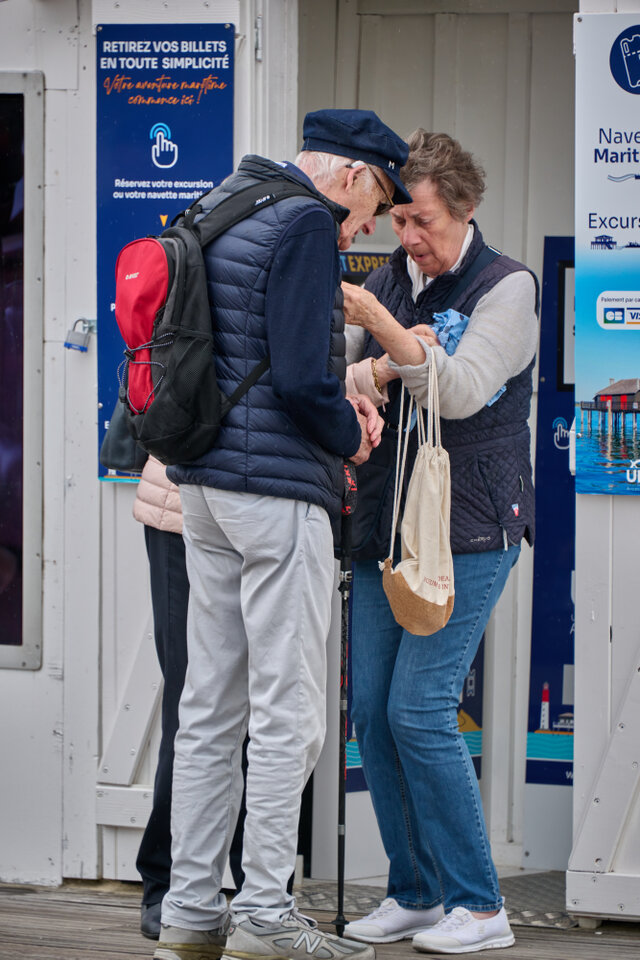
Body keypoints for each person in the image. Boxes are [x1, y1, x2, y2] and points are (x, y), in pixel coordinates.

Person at [153, 109, 412, 960]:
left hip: (205, 486)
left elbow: (248, 355)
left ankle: (191, 914)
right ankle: (265, 911)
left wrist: (333, 399)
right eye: (376, 203)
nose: (369, 226)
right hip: (275, 496)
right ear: (350, 175)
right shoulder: (304, 221)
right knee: (289, 713)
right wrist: (351, 433)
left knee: (208, 709)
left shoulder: (227, 198)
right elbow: (301, 381)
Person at [340, 130, 538, 955]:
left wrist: (384, 338)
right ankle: (418, 892)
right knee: (372, 716)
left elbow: (458, 392)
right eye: (399, 220)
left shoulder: (508, 286)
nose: (407, 236)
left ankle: (481, 906)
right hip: (384, 521)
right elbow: (343, 381)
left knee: (419, 710)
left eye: (421, 220)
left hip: (473, 525)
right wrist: (391, 359)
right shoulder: (387, 280)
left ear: (465, 208)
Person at [132, 455, 246, 941]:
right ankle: (166, 884)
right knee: (190, 707)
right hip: (180, 507)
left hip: (266, 503)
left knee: (270, 711)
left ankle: (260, 894)